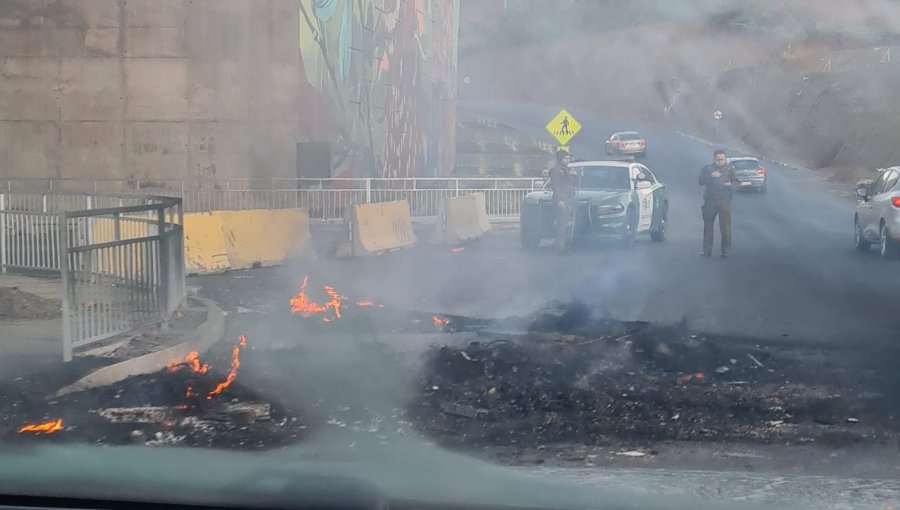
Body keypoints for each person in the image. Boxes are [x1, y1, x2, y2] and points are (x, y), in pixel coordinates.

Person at [698, 149, 739, 257]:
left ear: (725, 159)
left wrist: (730, 184)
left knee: (725, 228)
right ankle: (707, 250)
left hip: (724, 201)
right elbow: (700, 181)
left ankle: (725, 250)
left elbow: (736, 183)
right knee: (708, 227)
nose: (721, 161)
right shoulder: (708, 169)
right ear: (714, 159)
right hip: (710, 201)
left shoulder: (730, 169)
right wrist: (710, 176)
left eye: (722, 159)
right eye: (718, 159)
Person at [549, 149, 577, 254]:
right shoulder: (556, 170)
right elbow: (555, 187)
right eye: (566, 158)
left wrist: (575, 176)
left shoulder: (568, 170)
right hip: (562, 198)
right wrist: (559, 201)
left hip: (569, 198)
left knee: (566, 224)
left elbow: (573, 184)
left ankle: (566, 246)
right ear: (560, 159)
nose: (568, 160)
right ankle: (560, 248)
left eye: (568, 158)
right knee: (561, 225)